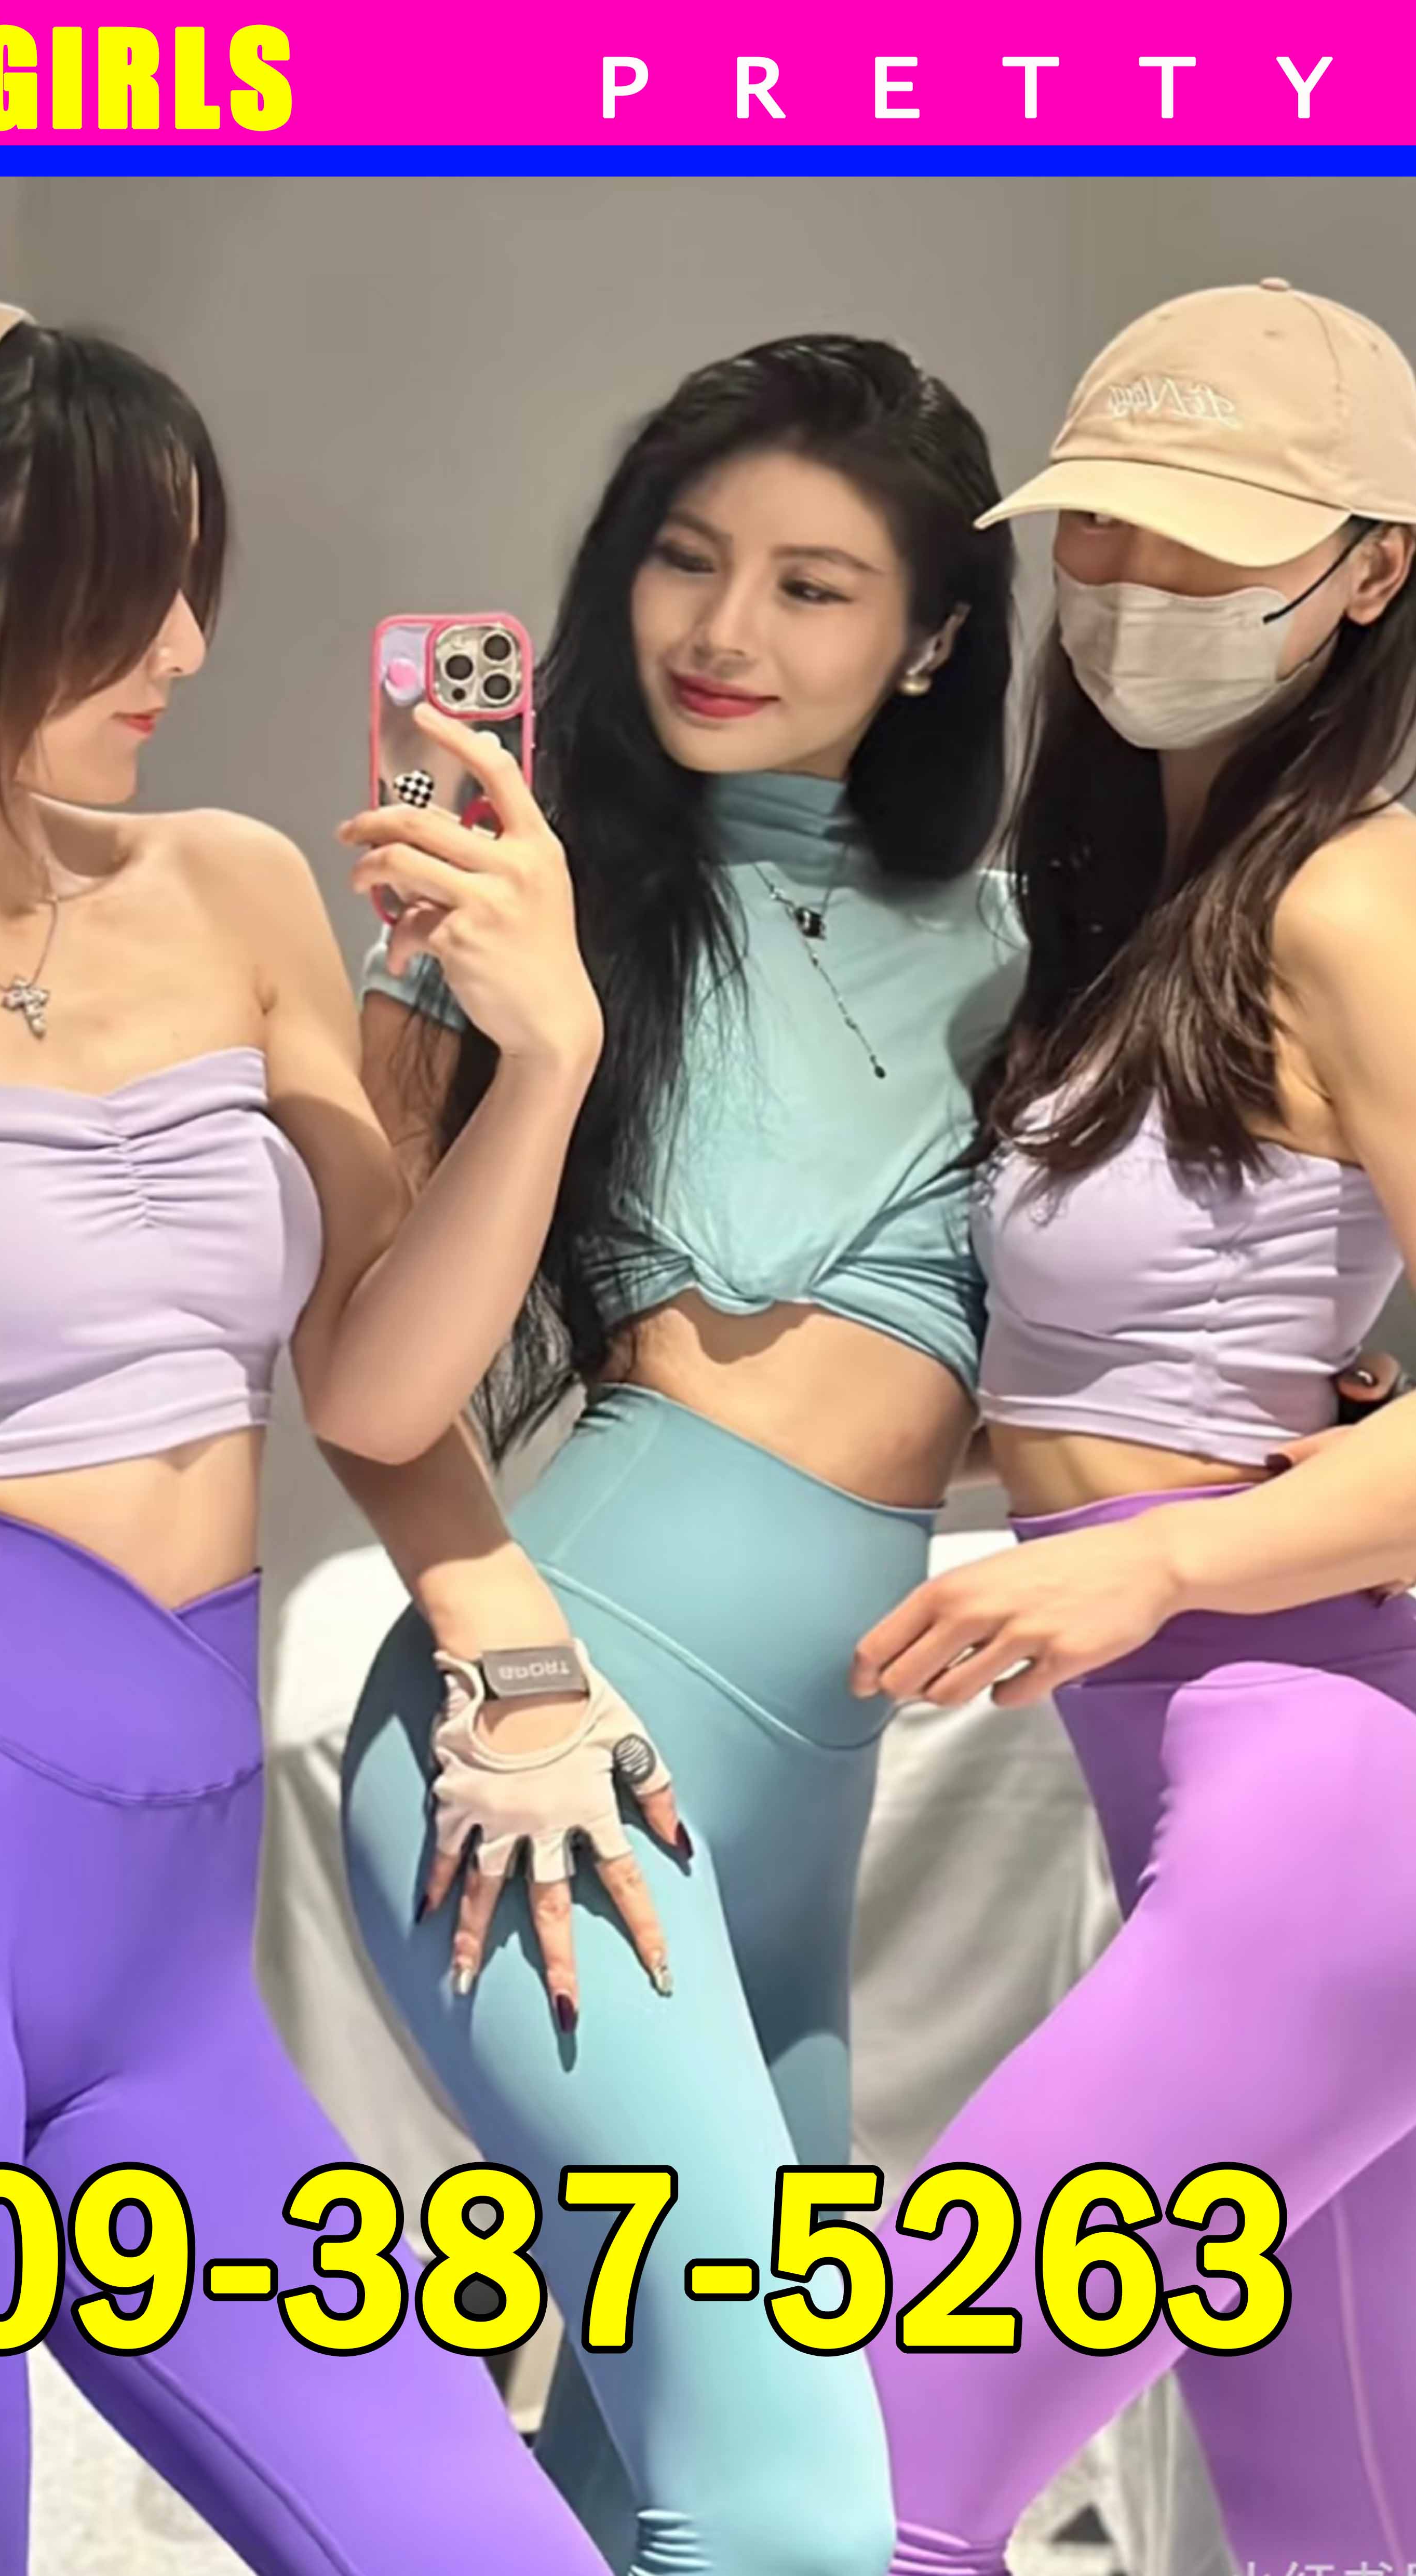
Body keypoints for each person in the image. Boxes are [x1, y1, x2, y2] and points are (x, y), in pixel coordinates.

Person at [0, 300, 623, 2576]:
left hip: (169, 1962)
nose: (185, 643)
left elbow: (371, 1379)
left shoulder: (225, 884)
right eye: (131, 578)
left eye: (198, 578)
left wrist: (545, 1054)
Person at [339, 333, 1021, 2576]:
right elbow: (355, 1373)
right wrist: (512, 1670)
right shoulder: (510, 902)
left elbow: (1018, 1365)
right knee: (790, 2512)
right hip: (553, 1730)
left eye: (811, 587)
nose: (723, 629)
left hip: (806, 1808)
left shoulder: (1008, 945)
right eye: (683, 556)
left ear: (930, 640)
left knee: (647, 2490)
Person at [851, 279, 1416, 2576]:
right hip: (1199, 1764)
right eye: (1100, 526)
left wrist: (1160, 1553)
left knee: (863, 2483)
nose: (1133, 588)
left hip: (1331, 1803)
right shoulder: (1117, 916)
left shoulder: (1357, 897)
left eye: (1208, 542)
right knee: (1338, 2529)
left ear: (1367, 572)